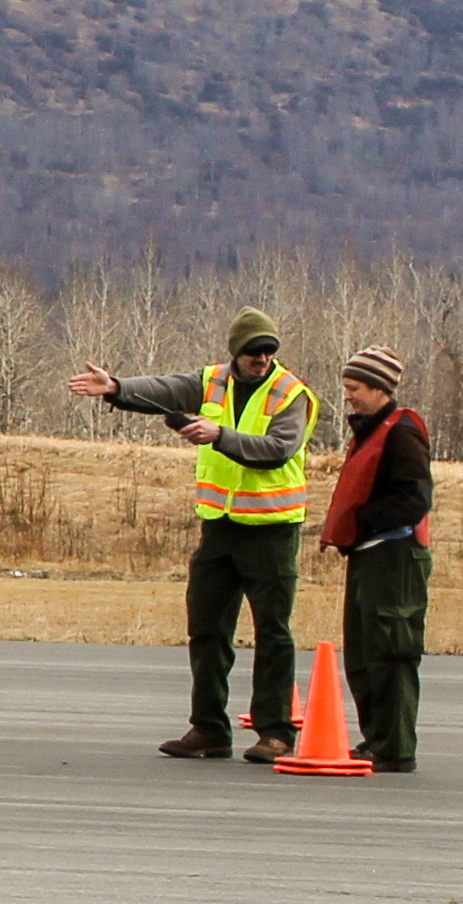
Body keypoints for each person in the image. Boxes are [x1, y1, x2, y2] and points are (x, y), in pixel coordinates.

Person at [70, 309, 319, 761]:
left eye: (268, 351)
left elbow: (278, 450)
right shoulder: (212, 381)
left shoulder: (291, 393)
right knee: (206, 628)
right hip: (220, 528)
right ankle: (208, 729)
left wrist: (218, 434)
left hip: (272, 529)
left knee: (273, 634)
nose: (262, 359)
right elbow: (165, 389)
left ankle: (276, 732)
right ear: (235, 352)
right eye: (253, 351)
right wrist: (118, 388)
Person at [322, 346, 433, 773]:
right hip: (370, 557)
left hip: (395, 557)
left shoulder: (402, 432)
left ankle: (395, 746)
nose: (348, 395)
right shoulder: (372, 429)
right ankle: (377, 740)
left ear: (379, 388)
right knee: (365, 655)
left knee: (391, 651)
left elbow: (415, 498)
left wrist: (365, 519)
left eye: (354, 388)